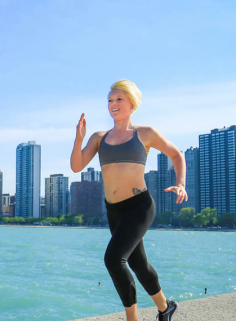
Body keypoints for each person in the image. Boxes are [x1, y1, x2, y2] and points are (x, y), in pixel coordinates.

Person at [70, 79, 187, 321]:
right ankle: (166, 309)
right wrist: (79, 138)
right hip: (114, 210)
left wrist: (181, 184)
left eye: (118, 99)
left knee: (114, 260)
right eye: (110, 100)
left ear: (132, 103)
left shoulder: (145, 134)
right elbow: (76, 166)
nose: (113, 104)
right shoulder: (98, 138)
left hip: (139, 206)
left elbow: (177, 154)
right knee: (139, 264)